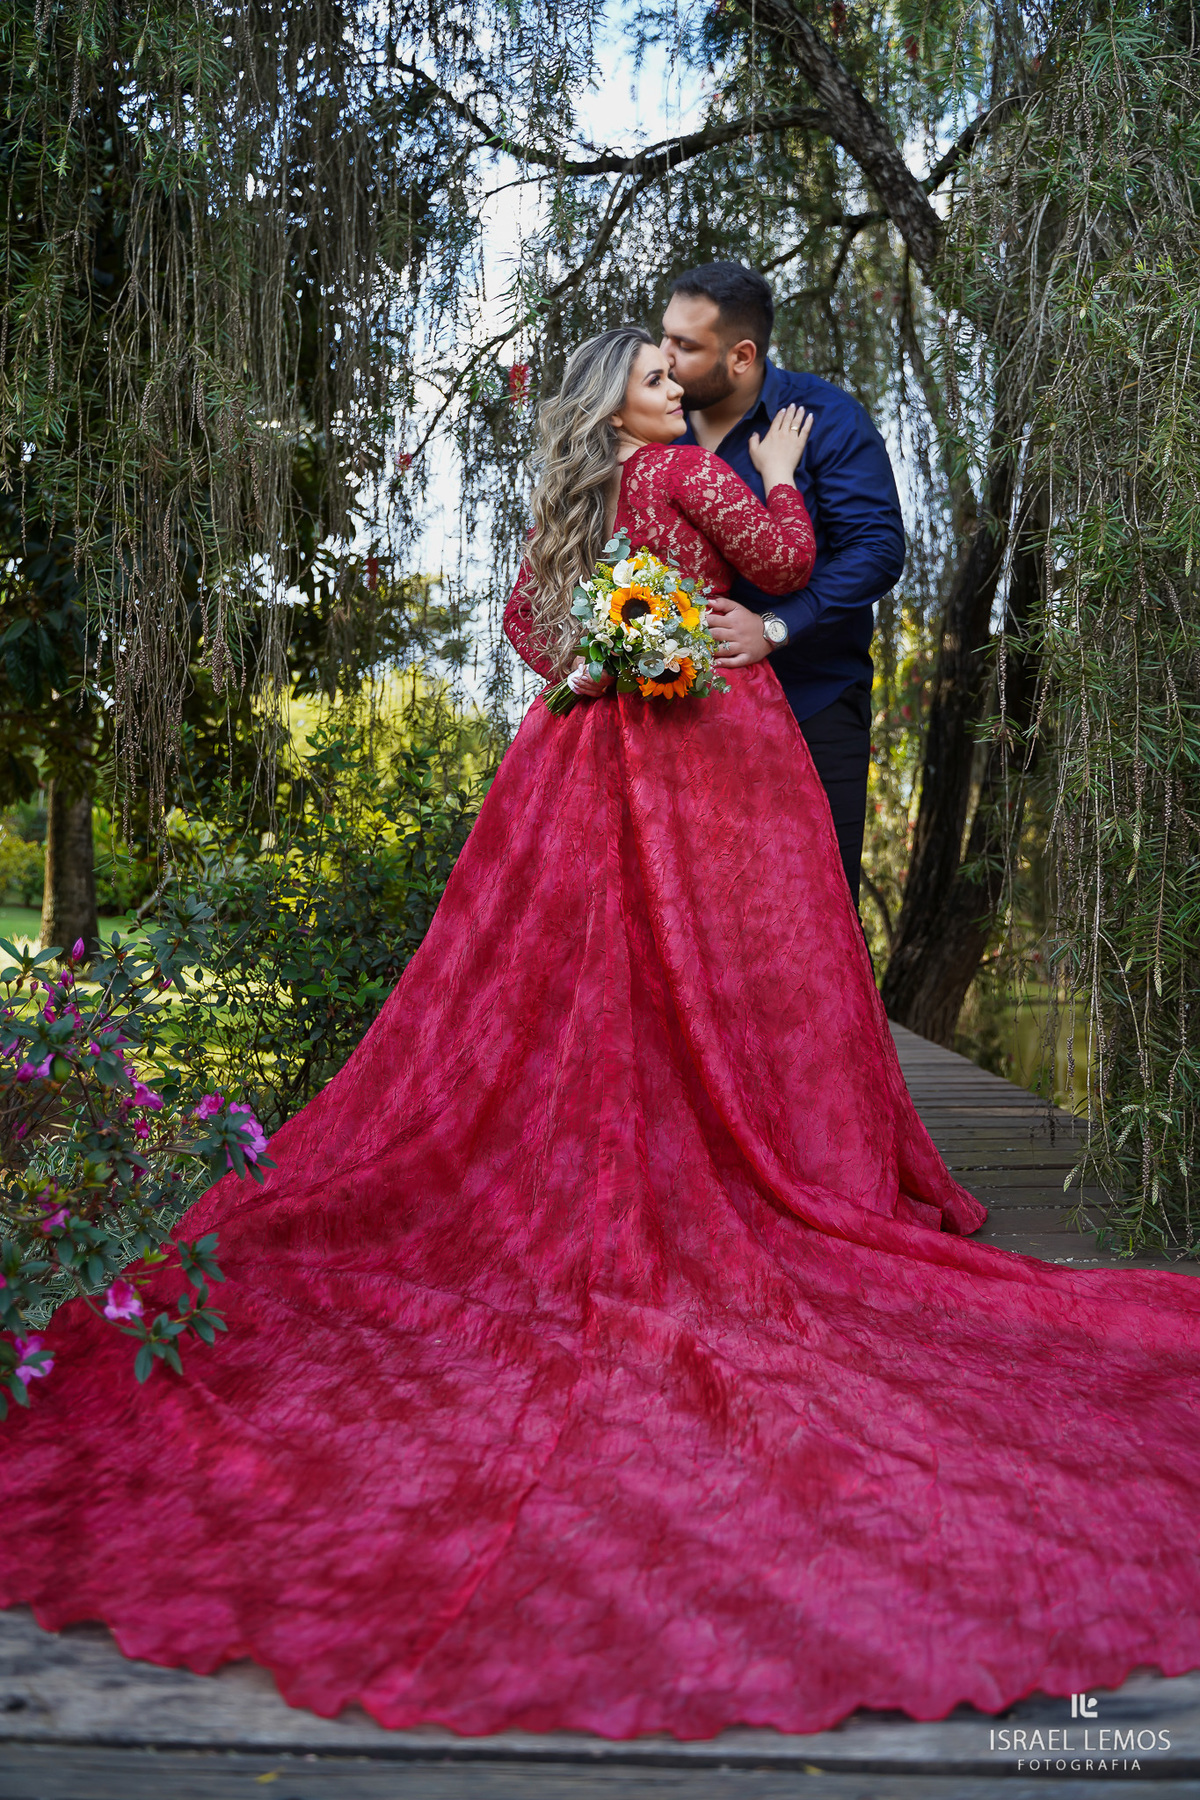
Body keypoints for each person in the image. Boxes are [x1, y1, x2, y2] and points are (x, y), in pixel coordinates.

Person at [4, 327, 1200, 1746]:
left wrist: (600, 664)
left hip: (585, 753)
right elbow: (782, 568)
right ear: (623, 402)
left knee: (598, 964)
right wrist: (774, 483)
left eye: (672, 366)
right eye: (649, 371)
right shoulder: (695, 472)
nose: (671, 380)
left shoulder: (574, 501)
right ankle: (756, 1142)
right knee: (739, 962)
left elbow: (526, 627)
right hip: (711, 745)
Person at [661, 261, 902, 907]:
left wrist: (774, 627)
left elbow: (877, 551)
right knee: (700, 921)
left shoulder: (824, 417)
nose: (665, 357)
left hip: (810, 703)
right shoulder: (653, 425)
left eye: (685, 346)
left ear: (741, 356)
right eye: (665, 338)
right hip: (681, 717)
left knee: (815, 912)